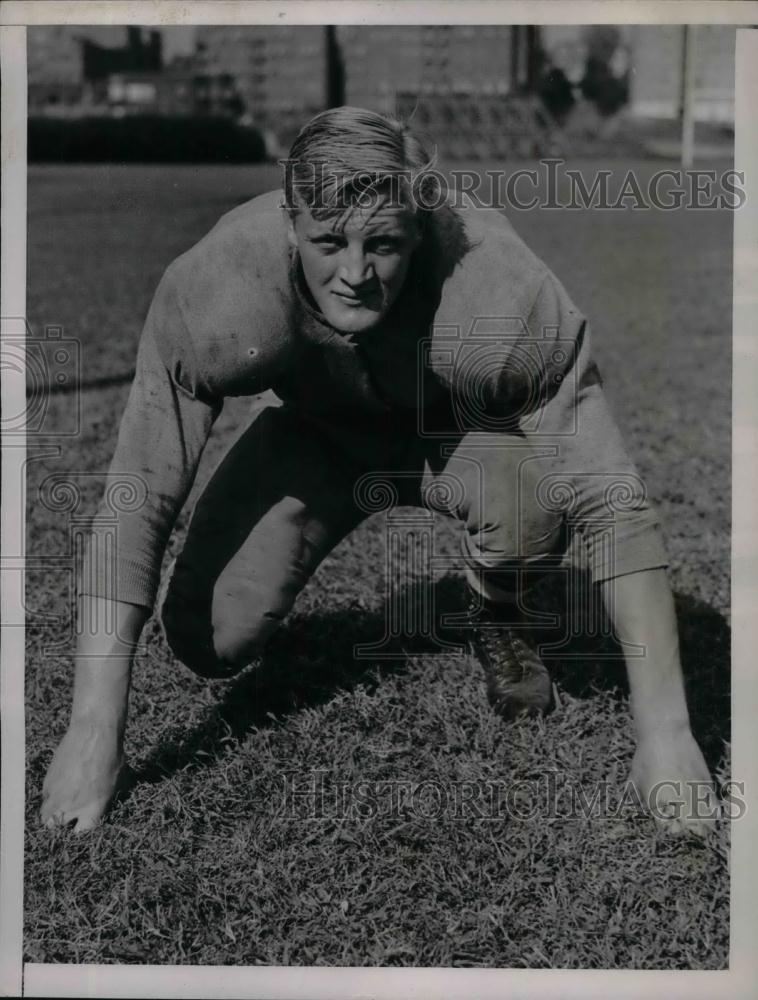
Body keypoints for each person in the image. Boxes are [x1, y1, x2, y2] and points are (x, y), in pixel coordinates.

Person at [41, 106, 718, 835]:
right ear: (289, 221)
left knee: (536, 506)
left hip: (460, 437)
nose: (356, 274)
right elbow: (136, 497)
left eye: (384, 243)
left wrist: (668, 735)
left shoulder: (500, 293)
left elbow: (611, 500)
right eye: (329, 241)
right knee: (208, 641)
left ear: (421, 226)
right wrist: (91, 728)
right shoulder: (217, 289)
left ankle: (496, 606)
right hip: (317, 439)